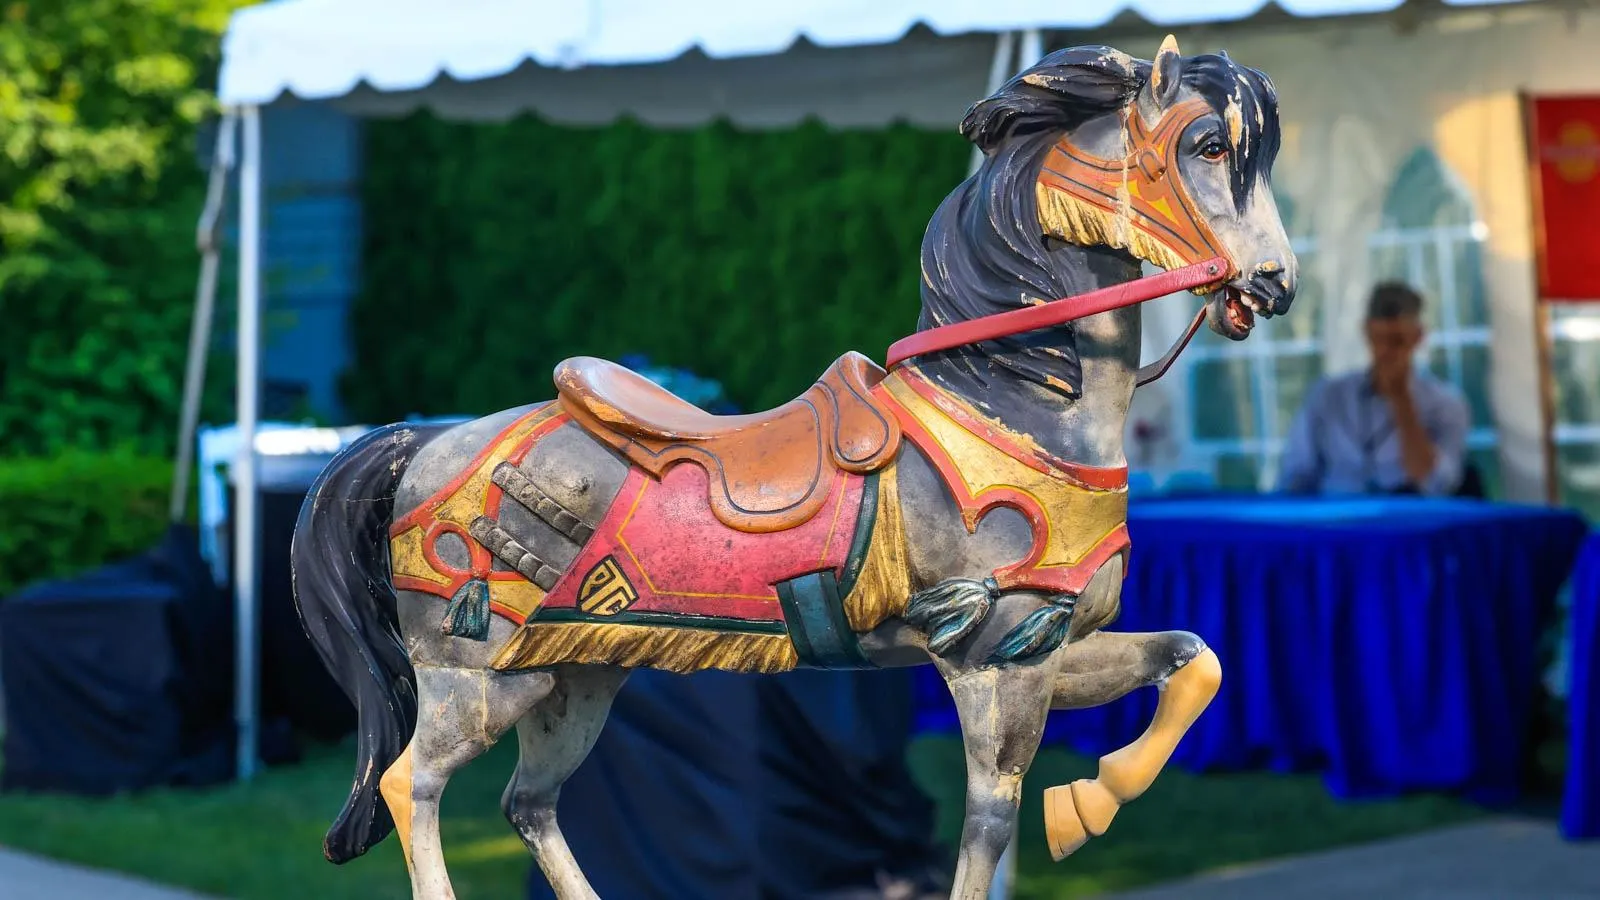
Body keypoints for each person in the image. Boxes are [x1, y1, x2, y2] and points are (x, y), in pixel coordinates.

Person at [1278, 282, 1471, 496]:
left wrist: (1402, 399)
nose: (1387, 352)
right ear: (1367, 332)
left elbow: (1437, 484)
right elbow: (1296, 475)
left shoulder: (1445, 404)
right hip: (1335, 520)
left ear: (1418, 337)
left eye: (1398, 341)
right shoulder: (1328, 396)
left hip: (1407, 521)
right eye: (1380, 339)